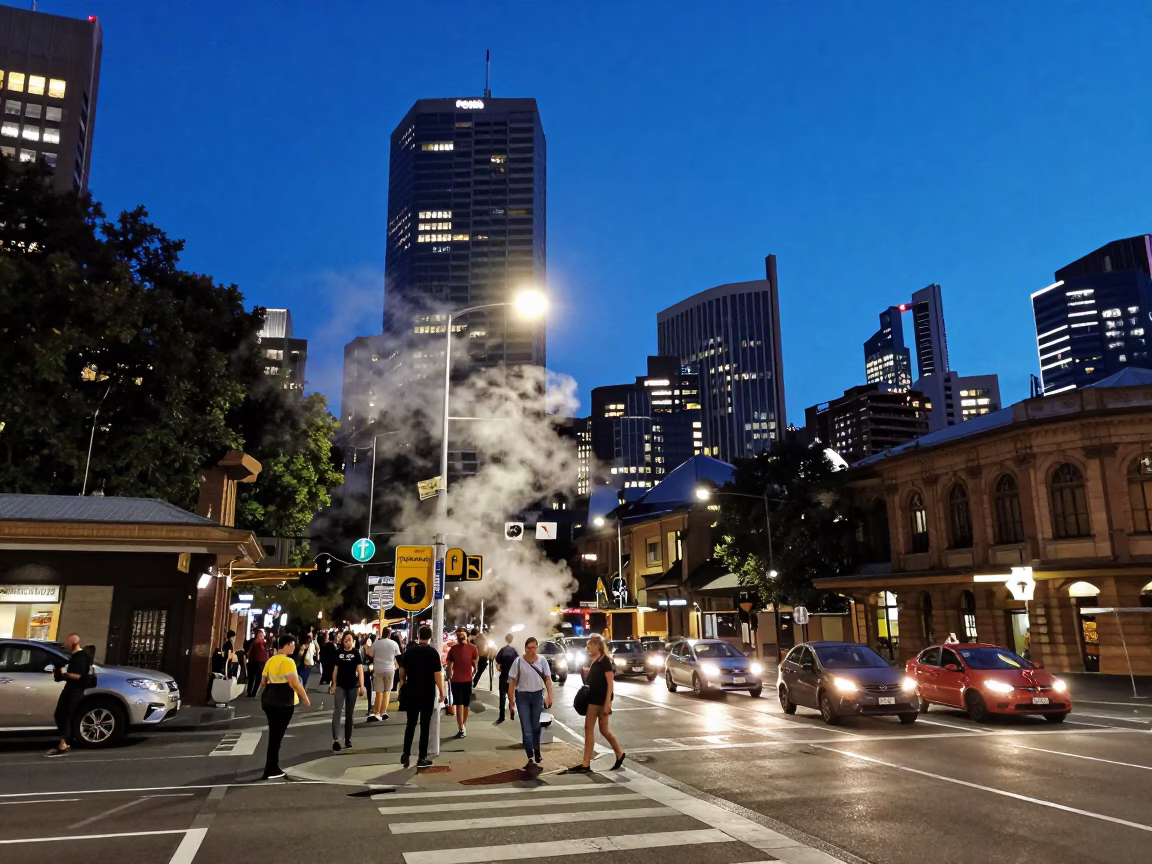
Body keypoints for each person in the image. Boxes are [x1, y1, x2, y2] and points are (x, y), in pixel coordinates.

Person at [257, 633, 310, 780]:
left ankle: (271, 766)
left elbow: (262, 682)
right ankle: (272, 768)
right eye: (292, 645)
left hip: (269, 699)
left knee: (274, 734)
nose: (293, 647)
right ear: (286, 645)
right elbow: (294, 683)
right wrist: (305, 698)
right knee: (277, 735)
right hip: (284, 700)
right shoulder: (288, 662)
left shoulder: (270, 661)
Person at [570, 634, 625, 773]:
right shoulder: (595, 660)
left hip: (598, 701)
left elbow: (610, 683)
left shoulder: (605, 661)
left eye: (590, 645)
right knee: (602, 730)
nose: (587, 647)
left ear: (597, 646)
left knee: (590, 729)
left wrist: (608, 704)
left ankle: (586, 764)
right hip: (594, 699)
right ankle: (619, 753)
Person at [397, 624, 444, 768]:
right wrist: (442, 692)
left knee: (410, 723)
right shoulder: (433, 653)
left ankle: (406, 752)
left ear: (418, 636)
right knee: (425, 725)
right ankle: (422, 757)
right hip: (427, 692)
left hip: (411, 690)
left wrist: (402, 686)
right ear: (430, 637)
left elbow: (402, 673)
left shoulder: (409, 652)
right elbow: (437, 675)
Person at [507, 637, 553, 770]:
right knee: (526, 729)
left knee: (535, 726)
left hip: (537, 696)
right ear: (525, 648)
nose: (531, 650)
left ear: (537, 648)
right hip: (522, 697)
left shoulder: (542, 661)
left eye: (534, 647)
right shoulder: (518, 661)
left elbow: (548, 679)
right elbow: (512, 683)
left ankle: (537, 749)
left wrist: (550, 695)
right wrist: (511, 702)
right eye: (529, 648)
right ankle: (530, 756)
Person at [46, 633, 92, 757]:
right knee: (61, 715)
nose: (65, 645)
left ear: (73, 643)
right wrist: (58, 672)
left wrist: (65, 673)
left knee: (65, 716)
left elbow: (78, 676)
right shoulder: (74, 656)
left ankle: (64, 744)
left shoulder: (81, 657)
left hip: (75, 691)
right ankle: (65, 741)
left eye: (67, 642)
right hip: (70, 689)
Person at [328, 631, 365, 751]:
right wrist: (333, 684)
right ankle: (335, 739)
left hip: (352, 686)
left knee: (350, 714)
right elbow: (335, 669)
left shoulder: (356, 653)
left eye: (349, 639)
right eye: (345, 639)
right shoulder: (338, 652)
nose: (347, 641)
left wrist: (362, 686)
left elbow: (360, 670)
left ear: (353, 641)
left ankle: (348, 739)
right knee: (337, 711)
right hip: (340, 685)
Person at [445, 627, 478, 737]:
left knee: (465, 705)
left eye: (461, 633)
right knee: (459, 703)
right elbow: (449, 665)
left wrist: (474, 672)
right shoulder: (453, 649)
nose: (460, 635)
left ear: (466, 635)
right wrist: (449, 675)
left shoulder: (472, 648)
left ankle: (463, 725)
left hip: (467, 680)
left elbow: (475, 664)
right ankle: (461, 728)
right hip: (456, 680)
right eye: (458, 633)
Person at [368, 626, 401, 721]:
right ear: (389, 634)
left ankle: (376, 712)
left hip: (378, 669)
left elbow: (370, 654)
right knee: (387, 692)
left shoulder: (376, 643)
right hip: (390, 669)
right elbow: (398, 655)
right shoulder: (394, 643)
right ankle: (383, 712)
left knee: (379, 692)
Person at [494, 633, 519, 724]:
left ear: (505, 639)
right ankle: (512, 709)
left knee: (502, 697)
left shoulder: (502, 650)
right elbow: (517, 664)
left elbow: (498, 664)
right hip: (512, 678)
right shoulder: (514, 651)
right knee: (511, 696)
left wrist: (500, 670)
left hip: (504, 676)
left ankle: (502, 716)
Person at [245, 628, 269, 697]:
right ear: (257, 635)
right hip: (253, 662)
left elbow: (266, 653)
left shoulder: (265, 644)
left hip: (261, 663)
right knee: (252, 678)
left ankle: (254, 693)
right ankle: (249, 692)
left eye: (262, 634)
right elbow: (249, 652)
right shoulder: (254, 642)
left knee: (258, 679)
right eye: (260, 634)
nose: (261, 636)